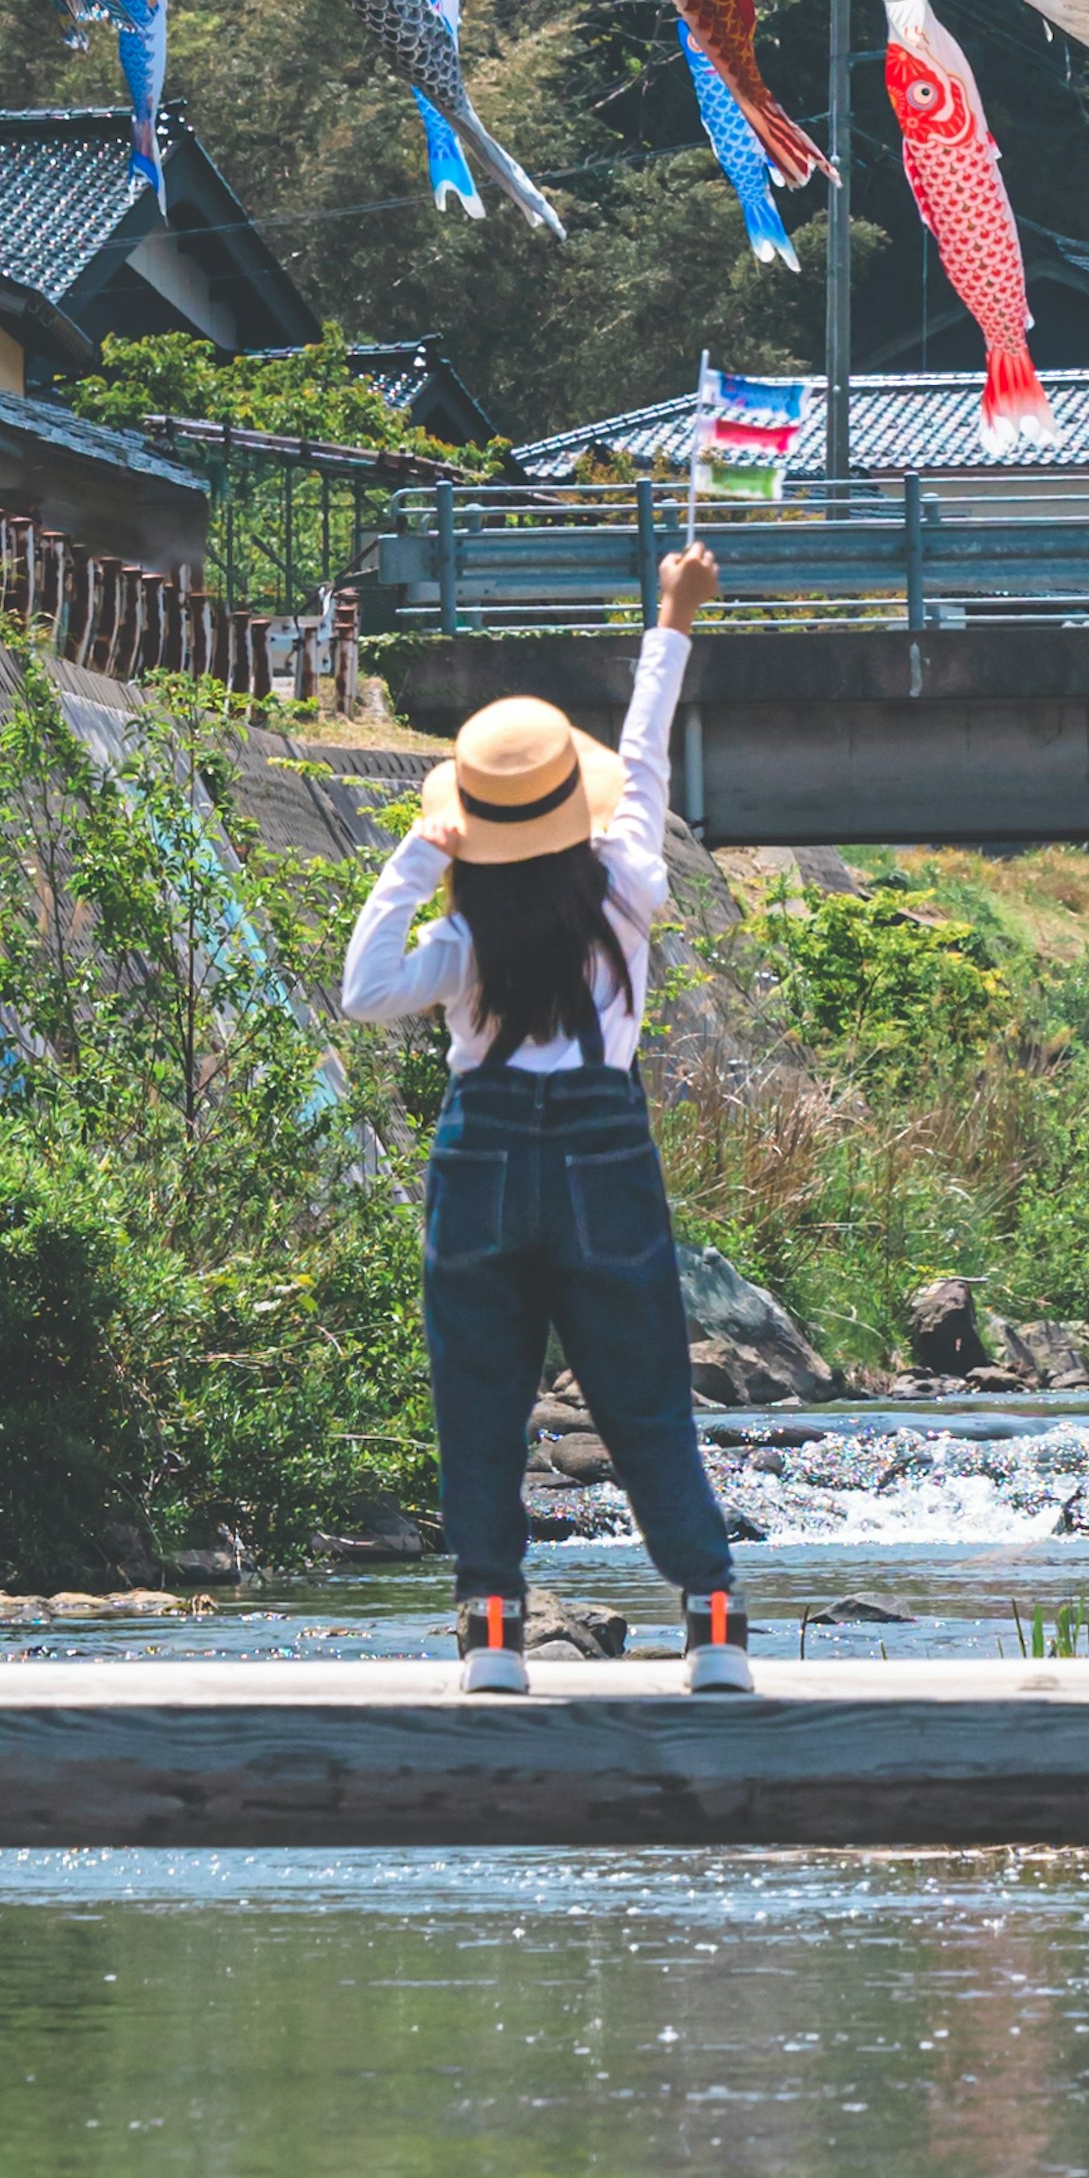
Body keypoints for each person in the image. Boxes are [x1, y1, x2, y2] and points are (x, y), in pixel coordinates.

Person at [339, 538, 751, 1694]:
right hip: (602, 1148)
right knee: (646, 1402)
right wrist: (672, 616)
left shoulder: (464, 940)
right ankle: (712, 1628)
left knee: (479, 1404)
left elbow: (363, 991)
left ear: (473, 820)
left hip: (482, 1157)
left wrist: (424, 855)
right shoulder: (626, 887)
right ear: (573, 809)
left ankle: (494, 1641)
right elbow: (643, 750)